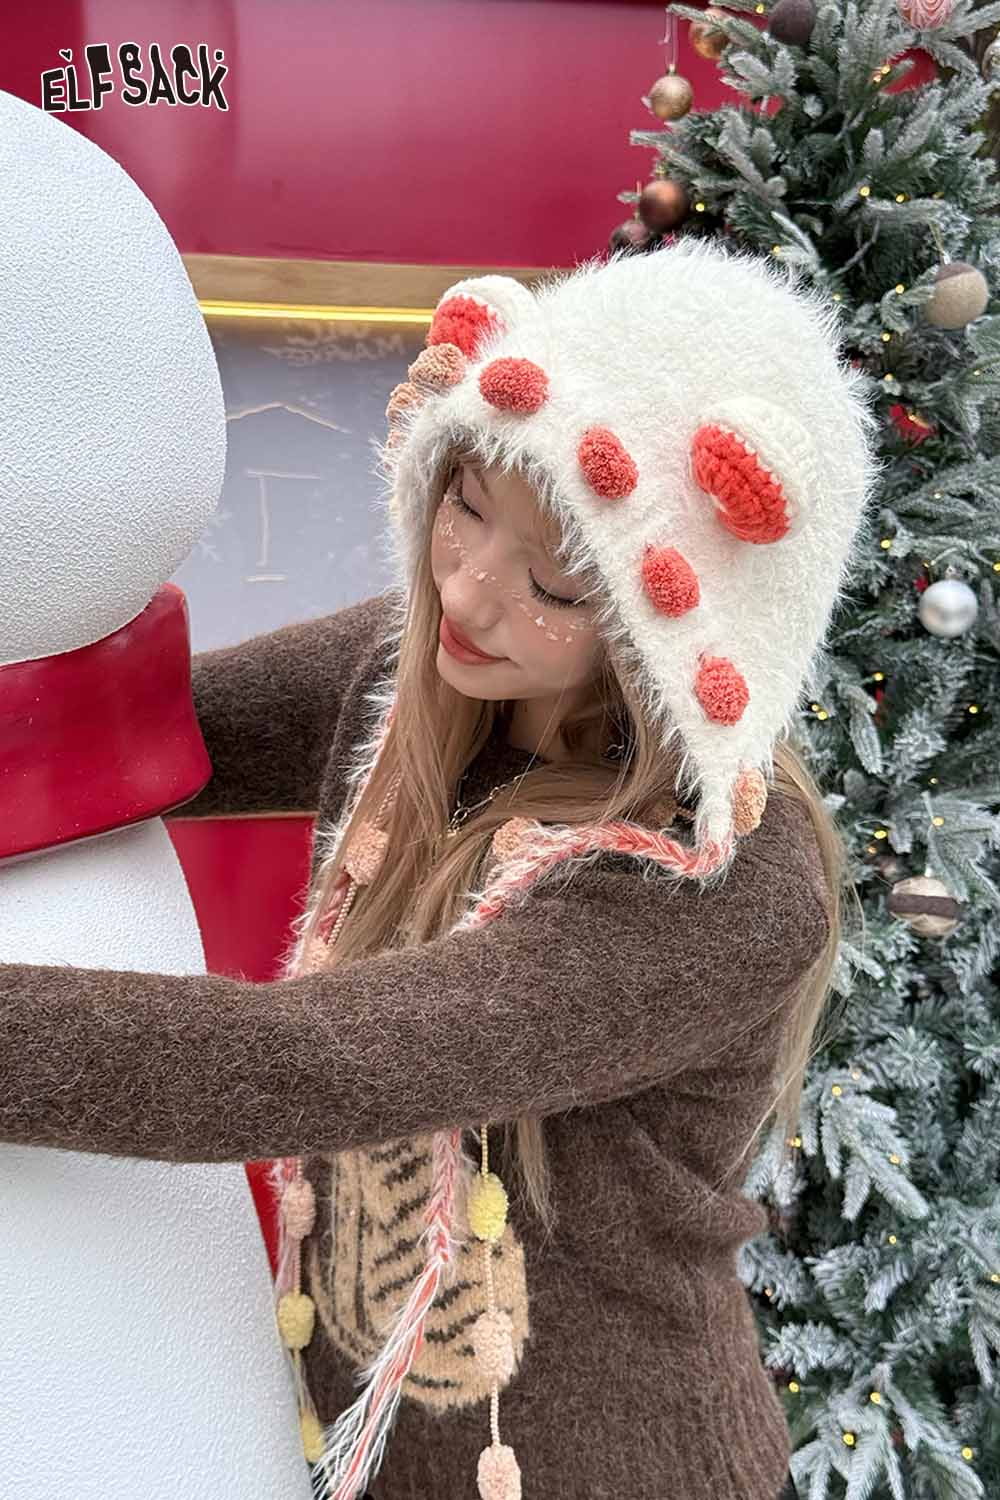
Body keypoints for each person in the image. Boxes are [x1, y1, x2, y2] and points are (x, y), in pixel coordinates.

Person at [0, 238, 881, 1500]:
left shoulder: (716, 889)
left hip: (616, 1472)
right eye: (465, 503)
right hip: (364, 1454)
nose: (466, 594)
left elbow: (312, 1064)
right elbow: (138, 736)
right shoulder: (420, 669)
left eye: (555, 582)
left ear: (664, 625)